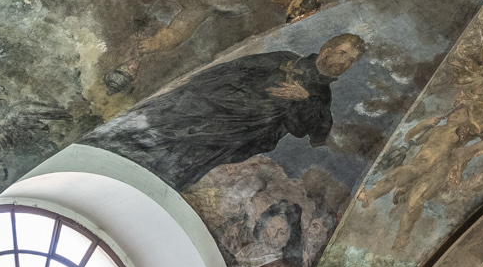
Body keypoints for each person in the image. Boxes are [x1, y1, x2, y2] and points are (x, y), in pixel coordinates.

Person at [87, 33, 363, 188]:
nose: (345, 62)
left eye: (351, 60)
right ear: (326, 50)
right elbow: (235, 68)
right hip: (209, 107)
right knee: (155, 128)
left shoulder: (321, 97)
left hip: (233, 137)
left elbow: (315, 134)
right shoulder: (286, 59)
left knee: (180, 163)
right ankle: (103, 151)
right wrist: (194, 82)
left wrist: (304, 99)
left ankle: (142, 185)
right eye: (343, 54)